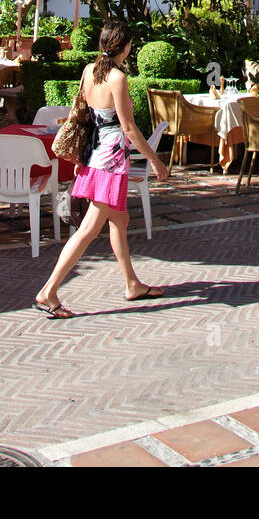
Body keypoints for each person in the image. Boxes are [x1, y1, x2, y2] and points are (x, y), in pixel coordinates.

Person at [35, 19, 169, 319]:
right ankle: (50, 290)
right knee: (88, 229)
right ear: (126, 47)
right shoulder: (118, 79)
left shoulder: (89, 72)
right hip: (110, 162)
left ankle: (132, 283)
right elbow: (130, 129)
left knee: (119, 220)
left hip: (94, 156)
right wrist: (155, 161)